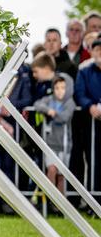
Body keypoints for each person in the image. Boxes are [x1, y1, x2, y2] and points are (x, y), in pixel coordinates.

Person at [32, 73, 75, 195]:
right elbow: (37, 104)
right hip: (50, 144)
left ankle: (60, 202)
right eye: (57, 88)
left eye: (63, 88)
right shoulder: (50, 99)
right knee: (51, 169)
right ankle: (51, 198)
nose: (60, 91)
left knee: (61, 176)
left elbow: (64, 117)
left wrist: (53, 114)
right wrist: (47, 110)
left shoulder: (70, 102)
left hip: (64, 145)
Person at [74, 39, 101, 196]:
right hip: (92, 123)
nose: (100, 53)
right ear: (91, 52)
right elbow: (79, 93)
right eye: (97, 50)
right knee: (94, 160)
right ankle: (94, 200)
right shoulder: (84, 71)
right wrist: (90, 106)